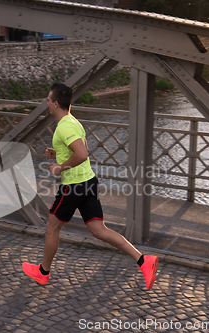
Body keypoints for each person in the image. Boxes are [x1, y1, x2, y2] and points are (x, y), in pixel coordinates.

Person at [22, 83, 159, 289]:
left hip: (73, 186)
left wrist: (60, 167)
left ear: (56, 103)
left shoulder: (64, 126)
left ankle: (43, 272)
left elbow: (82, 154)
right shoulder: (73, 121)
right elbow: (82, 147)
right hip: (88, 182)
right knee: (99, 230)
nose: (47, 103)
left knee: (52, 227)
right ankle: (143, 261)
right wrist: (57, 153)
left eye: (48, 100)